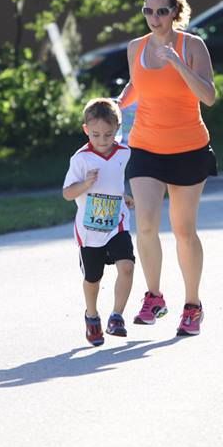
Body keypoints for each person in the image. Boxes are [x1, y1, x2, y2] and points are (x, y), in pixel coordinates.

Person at [117, 0, 217, 336]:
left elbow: (208, 96)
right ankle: (154, 296)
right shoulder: (135, 48)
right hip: (145, 146)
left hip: (189, 148)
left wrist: (178, 64)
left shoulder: (192, 46)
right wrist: (117, 104)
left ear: (176, 12)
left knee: (183, 231)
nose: (154, 18)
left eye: (161, 11)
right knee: (144, 223)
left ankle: (193, 305)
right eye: (148, 10)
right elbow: (137, 87)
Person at [62, 98, 135, 346]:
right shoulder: (81, 159)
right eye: (96, 135)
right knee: (93, 278)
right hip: (90, 229)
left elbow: (114, 182)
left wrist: (123, 197)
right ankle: (92, 316)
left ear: (117, 129)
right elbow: (67, 193)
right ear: (86, 130)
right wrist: (85, 184)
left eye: (108, 134)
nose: (103, 140)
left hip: (117, 223)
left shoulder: (124, 153)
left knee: (127, 266)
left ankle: (117, 316)